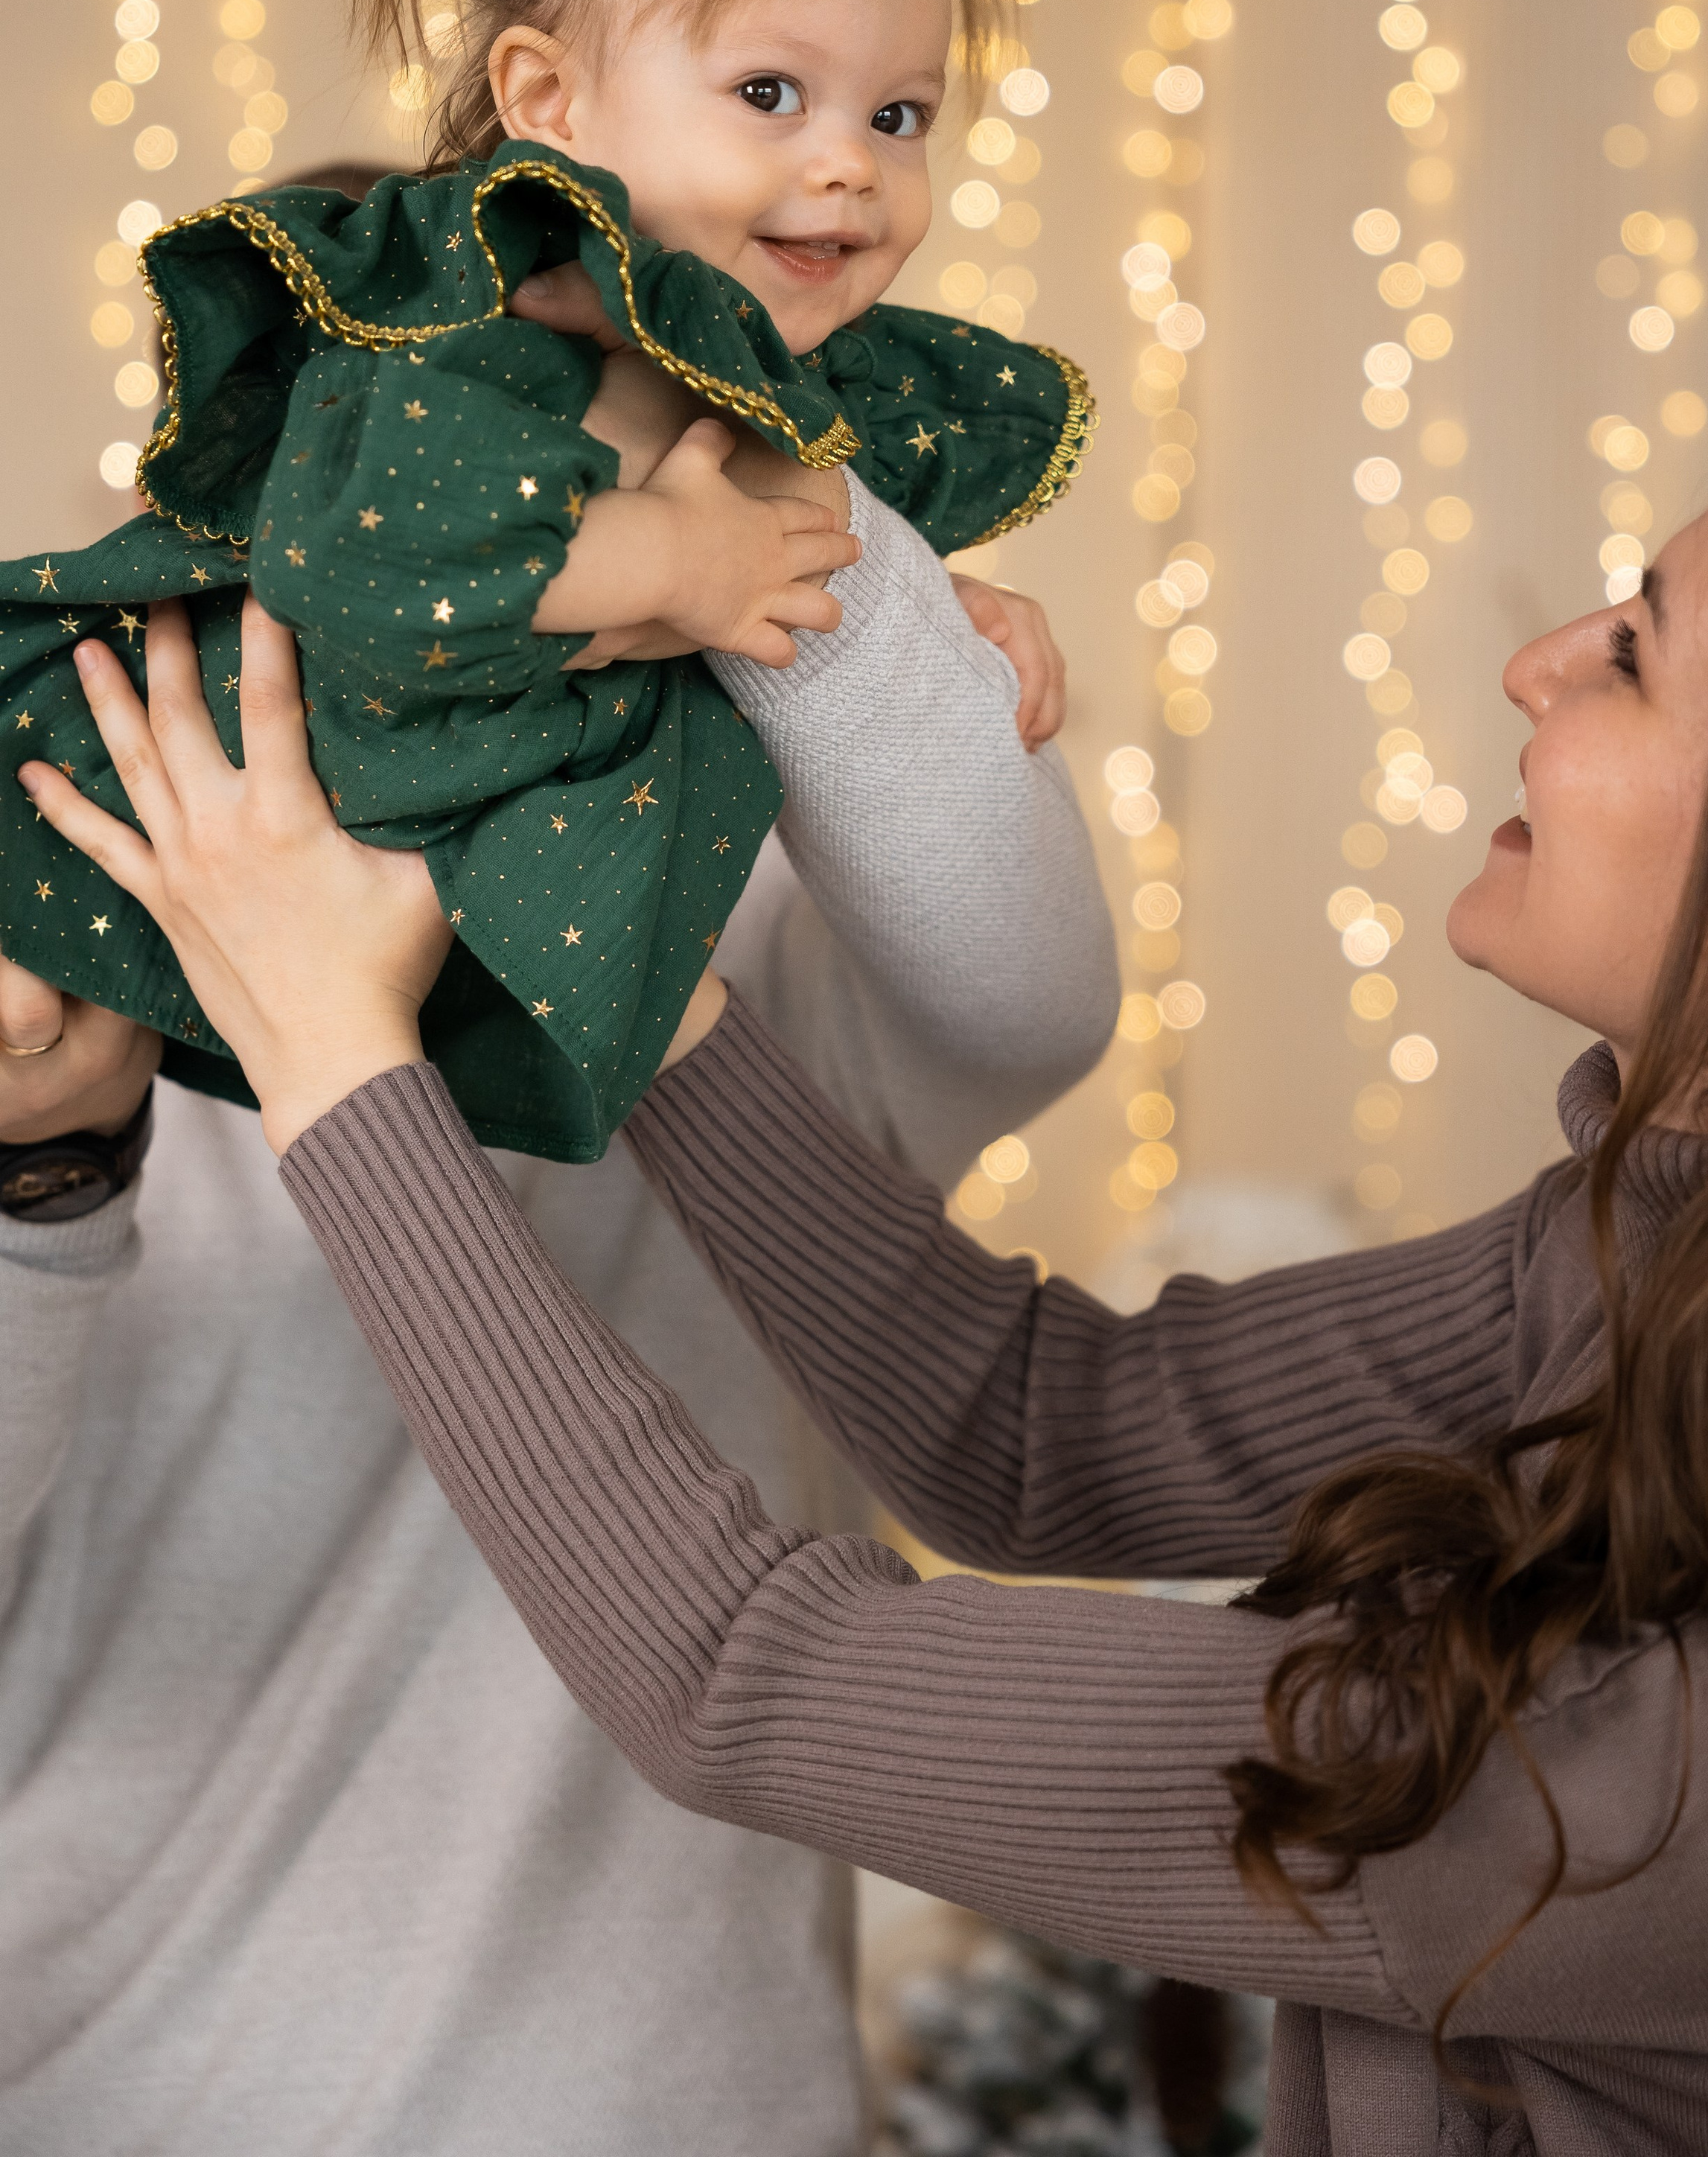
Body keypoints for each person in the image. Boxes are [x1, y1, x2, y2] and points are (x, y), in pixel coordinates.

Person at [31, 397, 1708, 2151]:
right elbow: (1034, 1433)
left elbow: (742, 1678)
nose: (1533, 658)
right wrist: (590, 905)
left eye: (1635, 654)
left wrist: (333, 1062)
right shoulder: (1670, 1267)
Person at [0, 485, 1118, 2153]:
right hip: (133, 2092)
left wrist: (871, 634)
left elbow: (1027, 1008)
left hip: (686, 2102)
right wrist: (49, 1183)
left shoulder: (721, 914)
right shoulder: (54, 937)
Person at [0, 0, 1090, 1156]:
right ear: (546, 108)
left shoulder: (758, 401)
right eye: (771, 94)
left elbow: (1027, 1011)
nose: (853, 161)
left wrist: (907, 605)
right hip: (126, 837)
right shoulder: (458, 346)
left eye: (900, 113)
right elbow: (367, 559)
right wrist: (676, 561)